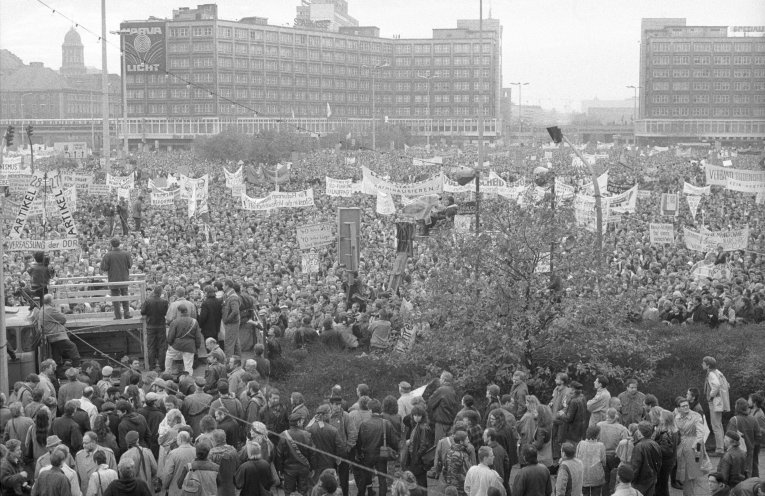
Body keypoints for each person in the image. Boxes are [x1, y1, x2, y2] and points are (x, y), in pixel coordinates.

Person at [355, 399, 399, 496]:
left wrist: (359, 454)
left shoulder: (364, 424)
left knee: (364, 478)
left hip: (367, 455)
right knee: (382, 480)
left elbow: (359, 442)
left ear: (370, 410)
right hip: (381, 455)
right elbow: (394, 442)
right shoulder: (386, 423)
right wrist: (395, 450)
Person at [275, 412, 314, 495]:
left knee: (289, 492)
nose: (303, 422)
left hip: (288, 470)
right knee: (303, 492)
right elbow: (312, 453)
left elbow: (279, 454)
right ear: (298, 422)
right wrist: (312, 468)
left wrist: (280, 470)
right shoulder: (307, 435)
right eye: (302, 421)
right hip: (304, 469)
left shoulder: (283, 435)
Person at [41, 294, 81, 367]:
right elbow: (63, 319)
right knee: (72, 347)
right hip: (57, 336)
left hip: (51, 337)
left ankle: (60, 373)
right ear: (50, 301)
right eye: (53, 300)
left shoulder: (42, 308)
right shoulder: (50, 309)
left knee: (57, 356)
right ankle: (77, 366)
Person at [702, 356, 730, 456]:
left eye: (703, 363)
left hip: (715, 403)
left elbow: (717, 385)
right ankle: (722, 447)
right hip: (720, 403)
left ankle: (719, 450)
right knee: (719, 425)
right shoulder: (718, 372)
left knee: (715, 425)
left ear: (708, 365)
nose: (702, 364)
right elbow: (727, 385)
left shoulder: (711, 374)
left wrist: (710, 396)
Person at [100, 238, 133, 320]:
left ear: (111, 245)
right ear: (119, 244)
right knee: (125, 296)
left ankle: (118, 316)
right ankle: (127, 314)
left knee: (115, 299)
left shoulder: (108, 255)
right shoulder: (126, 253)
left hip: (113, 280)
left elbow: (103, 267)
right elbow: (130, 265)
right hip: (124, 279)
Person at [728, 397, 761, 479]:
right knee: (748, 474)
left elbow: (729, 438)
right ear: (746, 407)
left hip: (736, 453)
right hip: (749, 452)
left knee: (736, 476)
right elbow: (759, 436)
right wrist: (752, 445)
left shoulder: (733, 420)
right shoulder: (753, 419)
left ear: (736, 407)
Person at [165, 306, 202, 376]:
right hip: (190, 345)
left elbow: (170, 336)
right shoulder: (194, 321)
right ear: (187, 311)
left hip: (177, 345)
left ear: (179, 312)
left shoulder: (175, 322)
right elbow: (198, 336)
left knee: (169, 356)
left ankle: (167, 373)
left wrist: (170, 343)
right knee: (188, 365)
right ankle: (188, 379)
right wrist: (197, 346)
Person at [404, 405, 434, 490]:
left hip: (418, 459)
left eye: (419, 415)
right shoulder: (417, 425)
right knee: (418, 481)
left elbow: (424, 445)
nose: (416, 417)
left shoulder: (423, 427)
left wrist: (417, 457)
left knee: (421, 482)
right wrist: (410, 441)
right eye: (415, 415)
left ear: (422, 416)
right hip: (415, 456)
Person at [140, 285, 169, 372]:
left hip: (150, 326)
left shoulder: (148, 301)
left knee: (151, 347)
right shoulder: (164, 301)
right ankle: (162, 367)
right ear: (160, 292)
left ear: (153, 291)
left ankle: (151, 366)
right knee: (162, 347)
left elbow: (142, 312)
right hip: (161, 326)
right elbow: (165, 312)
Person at [427, 371, 460, 443]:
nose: (440, 380)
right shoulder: (453, 391)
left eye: (441, 378)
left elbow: (430, 403)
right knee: (448, 445)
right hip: (451, 424)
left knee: (439, 446)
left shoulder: (441, 390)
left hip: (441, 424)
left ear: (444, 380)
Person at [161, 431, 196, 496]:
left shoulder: (173, 453)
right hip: (193, 489)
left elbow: (168, 473)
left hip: (176, 490)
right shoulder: (196, 451)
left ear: (180, 439)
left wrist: (165, 486)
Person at [631, 422, 661, 496]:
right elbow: (659, 462)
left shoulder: (639, 447)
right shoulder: (655, 444)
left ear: (640, 433)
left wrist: (631, 480)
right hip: (652, 477)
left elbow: (635, 466)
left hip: (640, 481)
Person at [576, 425, 606, 496]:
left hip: (583, 473)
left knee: (584, 493)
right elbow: (604, 461)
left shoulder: (581, 444)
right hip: (596, 475)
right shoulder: (601, 445)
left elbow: (577, 458)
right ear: (597, 434)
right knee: (596, 493)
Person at [207, 429, 239, 496]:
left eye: (211, 440)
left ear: (215, 441)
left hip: (217, 490)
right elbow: (237, 468)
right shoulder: (233, 451)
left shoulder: (211, 454)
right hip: (231, 488)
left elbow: (209, 475)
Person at [221, 279, 241, 359]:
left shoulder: (233, 297)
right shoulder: (229, 295)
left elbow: (235, 311)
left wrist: (227, 319)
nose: (222, 287)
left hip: (232, 323)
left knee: (229, 343)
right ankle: (237, 361)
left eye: (223, 285)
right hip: (232, 323)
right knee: (235, 342)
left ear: (227, 286)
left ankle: (229, 363)